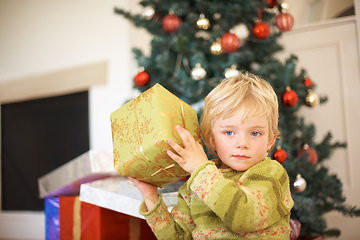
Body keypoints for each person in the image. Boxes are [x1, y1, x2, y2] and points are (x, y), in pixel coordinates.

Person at [129, 72, 294, 239]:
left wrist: (201, 172)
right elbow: (177, 237)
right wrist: (151, 197)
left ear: (270, 140)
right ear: (211, 138)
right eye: (229, 132)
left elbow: (244, 216)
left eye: (255, 133)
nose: (242, 143)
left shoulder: (273, 174)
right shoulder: (196, 183)